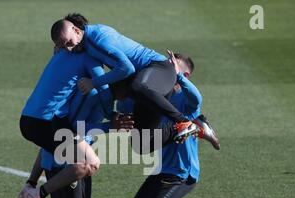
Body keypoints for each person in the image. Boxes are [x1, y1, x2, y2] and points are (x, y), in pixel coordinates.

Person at [119, 54, 218, 198]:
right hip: (163, 171)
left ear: (185, 76)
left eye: (173, 71)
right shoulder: (157, 99)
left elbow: (197, 96)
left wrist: (178, 79)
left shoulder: (185, 101)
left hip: (182, 174)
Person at [50, 13, 209, 151]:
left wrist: (94, 82)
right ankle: (192, 125)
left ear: (77, 31)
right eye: (64, 46)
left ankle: (185, 122)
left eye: (69, 43)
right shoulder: (86, 40)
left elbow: (126, 69)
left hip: (159, 70)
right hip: (149, 83)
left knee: (136, 87)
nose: (69, 49)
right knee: (142, 143)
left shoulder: (96, 39)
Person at [19, 47, 113, 198]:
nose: (59, 48)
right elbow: (78, 127)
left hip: (42, 127)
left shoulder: (64, 63)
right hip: (59, 156)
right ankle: (37, 194)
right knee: (89, 165)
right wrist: (112, 121)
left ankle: (31, 188)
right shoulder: (87, 82)